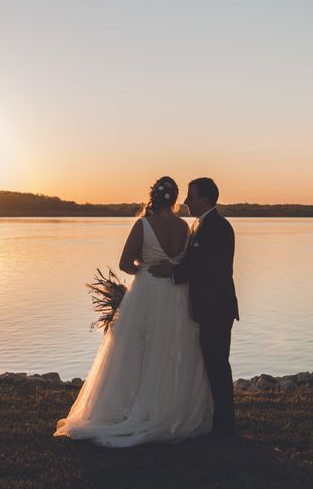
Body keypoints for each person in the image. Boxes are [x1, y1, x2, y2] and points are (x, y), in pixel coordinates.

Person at [54, 176, 212, 447]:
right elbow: (185, 263)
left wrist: (143, 266)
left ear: (153, 197)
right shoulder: (185, 228)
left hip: (148, 292)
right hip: (176, 294)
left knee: (137, 350)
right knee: (171, 349)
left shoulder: (143, 224)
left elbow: (125, 263)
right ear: (174, 200)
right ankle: (167, 407)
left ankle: (137, 407)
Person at [149, 177, 239, 436]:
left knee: (218, 365)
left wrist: (173, 271)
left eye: (191, 196)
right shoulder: (200, 225)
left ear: (205, 199)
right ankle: (217, 419)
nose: (186, 201)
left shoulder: (218, 227)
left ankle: (225, 426)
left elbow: (211, 267)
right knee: (211, 364)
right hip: (207, 307)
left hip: (217, 308)